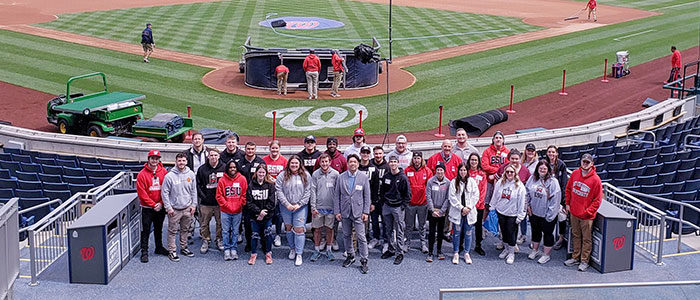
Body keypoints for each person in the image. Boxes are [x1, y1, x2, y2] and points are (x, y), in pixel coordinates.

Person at [564, 153, 602, 272]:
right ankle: (575, 257)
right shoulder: (575, 173)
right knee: (576, 235)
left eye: (587, 162)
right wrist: (568, 204)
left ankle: (584, 260)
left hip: (586, 216)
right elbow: (568, 189)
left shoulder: (596, 180)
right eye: (583, 161)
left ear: (592, 164)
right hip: (574, 212)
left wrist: (587, 212)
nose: (585, 164)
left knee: (586, 239)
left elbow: (597, 200)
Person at [335, 154, 371, 274]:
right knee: (346, 235)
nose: (353, 164)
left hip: (358, 212)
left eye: (355, 162)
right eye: (350, 162)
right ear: (348, 163)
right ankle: (350, 255)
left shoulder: (363, 177)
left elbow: (367, 196)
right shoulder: (341, 177)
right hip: (345, 211)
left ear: (358, 163)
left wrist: (366, 211)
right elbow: (337, 195)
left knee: (361, 236)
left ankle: (364, 259)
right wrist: (337, 211)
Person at [276, 155, 311, 266]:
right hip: (286, 206)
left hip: (300, 207)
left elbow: (308, 191)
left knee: (299, 229)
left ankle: (299, 253)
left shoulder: (305, 175)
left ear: (300, 164)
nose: (294, 165)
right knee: (288, 227)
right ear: (289, 164)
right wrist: (287, 204)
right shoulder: (282, 175)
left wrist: (299, 204)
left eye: (296, 163)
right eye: (292, 163)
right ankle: (292, 248)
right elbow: (279, 190)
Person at [161, 153, 197, 262]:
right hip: (174, 209)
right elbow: (164, 193)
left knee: (185, 229)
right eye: (179, 161)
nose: (181, 163)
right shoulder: (169, 176)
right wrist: (168, 207)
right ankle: (172, 251)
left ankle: (184, 247)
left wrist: (193, 205)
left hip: (187, 208)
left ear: (186, 162)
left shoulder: (190, 174)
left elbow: (193, 191)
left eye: (183, 161)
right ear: (176, 162)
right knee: (172, 231)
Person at [490, 163, 527, 265]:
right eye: (507, 172)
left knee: (511, 234)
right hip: (501, 211)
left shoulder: (519, 185)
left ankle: (511, 253)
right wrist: (492, 207)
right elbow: (495, 195)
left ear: (515, 173)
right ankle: (506, 249)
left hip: (513, 214)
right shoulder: (500, 183)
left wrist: (520, 215)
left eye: (511, 172)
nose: (509, 173)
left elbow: (522, 201)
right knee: (504, 232)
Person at [526, 160, 561, 264]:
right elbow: (527, 192)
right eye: (540, 168)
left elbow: (555, 200)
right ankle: (535, 250)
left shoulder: (553, 182)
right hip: (534, 212)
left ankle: (546, 255)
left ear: (548, 170)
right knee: (535, 232)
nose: (542, 170)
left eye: (544, 169)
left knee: (547, 234)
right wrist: (527, 205)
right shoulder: (532, 178)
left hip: (547, 214)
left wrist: (550, 216)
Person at [136, 149, 169, 263]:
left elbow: (166, 189)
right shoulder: (142, 174)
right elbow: (142, 193)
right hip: (148, 208)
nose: (154, 161)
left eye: (157, 159)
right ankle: (144, 251)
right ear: (148, 159)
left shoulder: (164, 172)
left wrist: (161, 203)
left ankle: (158, 247)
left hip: (160, 206)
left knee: (159, 228)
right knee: (145, 230)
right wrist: (153, 204)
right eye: (152, 158)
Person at [379, 155, 412, 265]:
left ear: (398, 163)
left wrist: (402, 206)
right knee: (388, 229)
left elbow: (407, 194)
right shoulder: (386, 176)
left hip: (398, 207)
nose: (393, 164)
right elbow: (382, 191)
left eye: (395, 162)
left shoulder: (402, 178)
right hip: (387, 206)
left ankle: (399, 252)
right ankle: (391, 249)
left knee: (399, 230)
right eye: (391, 162)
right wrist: (384, 202)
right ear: (389, 163)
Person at [497, 149, 531, 245]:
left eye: (517, 159)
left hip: (518, 202)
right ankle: (503, 242)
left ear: (520, 159)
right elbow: (497, 182)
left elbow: (528, 186)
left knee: (515, 225)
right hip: (505, 201)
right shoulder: (503, 168)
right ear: (509, 159)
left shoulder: (525, 170)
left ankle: (513, 243)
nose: (514, 161)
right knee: (503, 225)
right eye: (512, 158)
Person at [309, 154, 340, 262]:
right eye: (322, 162)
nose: (324, 164)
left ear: (330, 162)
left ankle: (329, 249)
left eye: (326, 161)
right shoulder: (315, 174)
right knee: (317, 230)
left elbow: (338, 192)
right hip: (318, 207)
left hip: (331, 207)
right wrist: (313, 207)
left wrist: (337, 208)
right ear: (320, 163)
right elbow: (312, 191)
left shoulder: (336, 174)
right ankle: (317, 250)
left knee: (329, 229)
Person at [245, 164, 276, 265]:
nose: (261, 174)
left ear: (266, 173)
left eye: (263, 172)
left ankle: (268, 253)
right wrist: (258, 212)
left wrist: (263, 213)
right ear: (256, 173)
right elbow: (249, 202)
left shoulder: (270, 185)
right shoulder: (251, 185)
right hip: (255, 216)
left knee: (268, 233)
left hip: (267, 216)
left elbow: (272, 202)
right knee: (254, 235)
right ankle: (253, 254)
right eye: (260, 172)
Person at [216, 160, 248, 261]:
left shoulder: (242, 179)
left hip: (238, 211)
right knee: (225, 231)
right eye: (230, 167)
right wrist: (227, 205)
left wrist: (239, 205)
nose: (232, 169)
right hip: (225, 211)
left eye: (234, 167)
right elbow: (219, 195)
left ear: (237, 168)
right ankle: (227, 249)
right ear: (227, 168)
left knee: (235, 231)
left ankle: (233, 249)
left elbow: (245, 194)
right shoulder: (222, 180)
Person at [448, 162, 479, 265]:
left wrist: (468, 207)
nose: (463, 172)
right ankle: (456, 252)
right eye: (461, 170)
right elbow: (452, 197)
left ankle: (466, 253)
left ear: (467, 171)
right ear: (458, 171)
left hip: (469, 212)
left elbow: (476, 195)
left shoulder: (472, 182)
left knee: (468, 233)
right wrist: (461, 208)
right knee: (456, 233)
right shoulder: (453, 182)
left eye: (464, 170)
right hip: (458, 212)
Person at [237, 141, 265, 252]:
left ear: (255, 150)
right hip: (245, 197)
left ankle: (263, 244)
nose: (250, 151)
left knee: (261, 221)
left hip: (258, 196)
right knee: (247, 222)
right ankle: (248, 243)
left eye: (252, 149)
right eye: (248, 149)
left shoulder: (260, 162)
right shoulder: (240, 162)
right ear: (245, 149)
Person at [196, 149, 226, 254]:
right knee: (204, 223)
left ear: (219, 156)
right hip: (206, 202)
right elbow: (198, 185)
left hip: (220, 202)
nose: (213, 157)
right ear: (208, 157)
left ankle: (219, 239)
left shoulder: (224, 167)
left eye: (215, 155)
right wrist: (203, 197)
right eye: (211, 155)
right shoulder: (202, 169)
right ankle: (206, 239)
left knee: (220, 222)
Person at [404, 151, 433, 253]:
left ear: (422, 159)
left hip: (422, 203)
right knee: (409, 225)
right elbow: (404, 186)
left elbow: (430, 187)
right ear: (412, 159)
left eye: (418, 158)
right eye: (415, 158)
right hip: (410, 203)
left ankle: (423, 243)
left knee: (422, 225)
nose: (416, 160)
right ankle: (407, 243)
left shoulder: (427, 171)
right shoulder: (407, 170)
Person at [545, 145, 569, 250]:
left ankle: (561, 238)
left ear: (556, 153)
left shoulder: (561, 165)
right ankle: (547, 242)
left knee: (561, 219)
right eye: (549, 152)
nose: (551, 154)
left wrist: (564, 201)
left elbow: (564, 183)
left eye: (553, 152)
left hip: (558, 197)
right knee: (548, 220)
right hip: (546, 197)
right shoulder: (544, 163)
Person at [425, 162, 450, 262]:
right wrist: (432, 209)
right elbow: (428, 196)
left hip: (442, 212)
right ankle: (430, 252)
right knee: (431, 232)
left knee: (440, 232)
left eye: (441, 170)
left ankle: (439, 251)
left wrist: (442, 210)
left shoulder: (448, 182)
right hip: (433, 211)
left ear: (444, 171)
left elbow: (448, 198)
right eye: (438, 170)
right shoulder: (430, 181)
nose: (439, 172)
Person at [368, 146, 390, 250]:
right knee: (374, 219)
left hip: (384, 199)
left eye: (380, 154)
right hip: (373, 198)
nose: (378, 156)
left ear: (383, 154)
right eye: (376, 154)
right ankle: (375, 238)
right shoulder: (370, 165)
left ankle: (386, 240)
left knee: (385, 220)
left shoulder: (387, 167)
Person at [466, 153, 488, 256]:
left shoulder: (482, 174)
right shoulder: (465, 172)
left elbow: (483, 190)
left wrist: (477, 203)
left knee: (478, 226)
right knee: (465, 225)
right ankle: (462, 245)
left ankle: (478, 245)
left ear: (478, 161)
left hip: (478, 205)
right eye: (472, 160)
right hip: (467, 204)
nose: (473, 162)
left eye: (475, 160)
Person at [482, 131, 509, 208]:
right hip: (489, 182)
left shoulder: (507, 152)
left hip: (503, 182)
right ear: (493, 140)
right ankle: (485, 220)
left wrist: (494, 175)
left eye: (500, 138)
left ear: (503, 140)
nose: (498, 139)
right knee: (486, 204)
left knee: (501, 204)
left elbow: (508, 167)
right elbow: (485, 166)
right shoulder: (487, 151)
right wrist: (498, 170)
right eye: (496, 138)